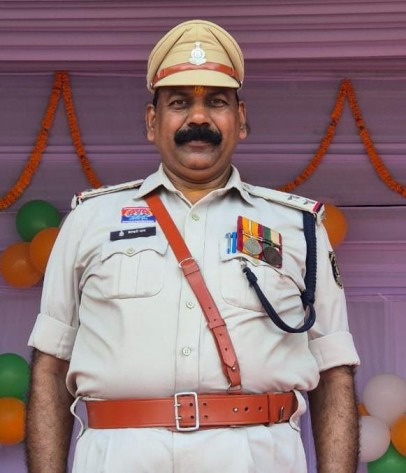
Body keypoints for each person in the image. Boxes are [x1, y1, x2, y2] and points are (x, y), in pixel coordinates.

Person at [26, 19, 360, 473]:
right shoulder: (90, 221)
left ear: (241, 119)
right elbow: (51, 364)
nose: (198, 118)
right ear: (152, 122)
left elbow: (333, 370)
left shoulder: (298, 225)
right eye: (179, 102)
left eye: (217, 102)